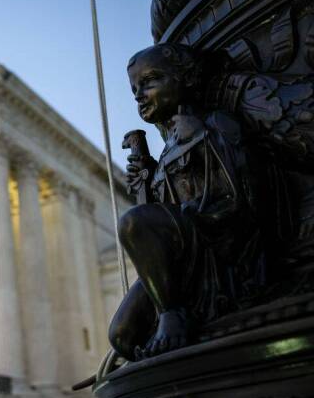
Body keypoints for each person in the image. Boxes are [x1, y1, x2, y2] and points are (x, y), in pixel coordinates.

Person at [108, 44, 267, 361]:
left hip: (217, 239)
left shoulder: (216, 124)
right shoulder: (168, 150)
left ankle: (172, 315)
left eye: (150, 81)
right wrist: (145, 170)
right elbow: (158, 214)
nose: (140, 94)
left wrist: (205, 137)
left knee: (132, 222)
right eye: (135, 88)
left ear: (185, 79)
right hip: (184, 246)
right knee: (121, 337)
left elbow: (241, 196)